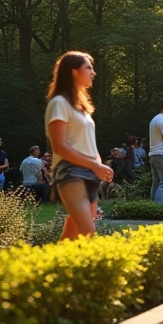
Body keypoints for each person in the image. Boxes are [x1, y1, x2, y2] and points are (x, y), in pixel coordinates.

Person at [45, 51, 113, 241]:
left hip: (90, 172)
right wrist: (95, 166)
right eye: (89, 67)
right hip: (70, 171)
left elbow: (86, 142)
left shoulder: (81, 107)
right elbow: (59, 147)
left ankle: (49, 268)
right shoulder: (59, 103)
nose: (94, 72)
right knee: (87, 231)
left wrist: (99, 166)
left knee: (73, 234)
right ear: (74, 72)